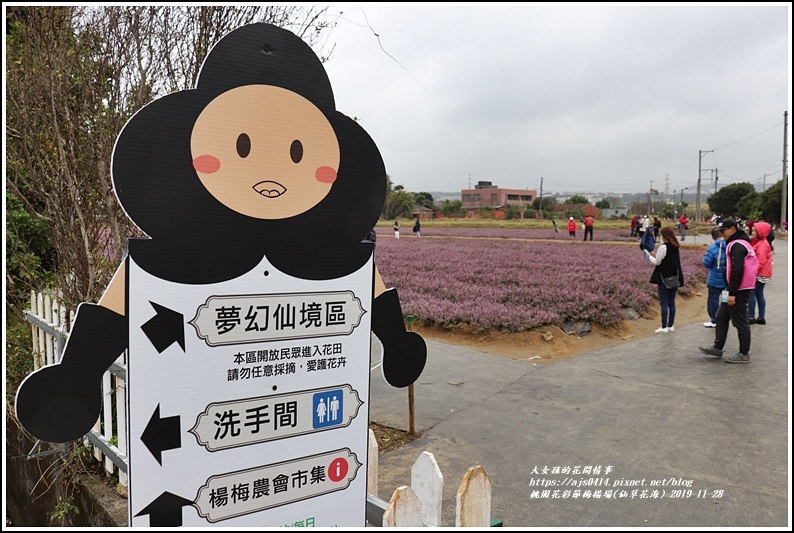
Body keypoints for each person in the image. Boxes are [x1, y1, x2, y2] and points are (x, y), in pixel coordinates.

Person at [699, 218, 758, 363]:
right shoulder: (741, 242)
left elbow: (737, 270)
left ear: (732, 229)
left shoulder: (737, 245)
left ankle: (744, 354)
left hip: (737, 290)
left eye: (723, 231)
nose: (722, 234)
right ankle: (718, 348)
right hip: (733, 288)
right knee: (721, 317)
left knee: (740, 322)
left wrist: (732, 292)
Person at [646, 227, 684, 333]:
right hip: (674, 279)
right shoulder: (675, 246)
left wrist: (649, 256)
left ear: (664, 236)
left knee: (664, 303)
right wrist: (657, 255)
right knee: (671, 303)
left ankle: (663, 327)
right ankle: (671, 325)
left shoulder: (664, 247)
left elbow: (657, 262)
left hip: (664, 279)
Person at [747, 221, 773, 325]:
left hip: (759, 273)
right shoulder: (762, 242)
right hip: (764, 273)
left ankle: (751, 316)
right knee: (759, 294)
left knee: (752, 294)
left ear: (761, 232)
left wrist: (753, 272)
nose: (752, 232)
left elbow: (761, 261)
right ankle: (761, 317)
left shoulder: (762, 244)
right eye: (752, 230)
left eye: (754, 231)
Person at [701, 227, 726, 328]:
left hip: (714, 278)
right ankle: (724, 319)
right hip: (727, 279)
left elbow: (707, 264)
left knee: (713, 299)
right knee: (724, 300)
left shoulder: (712, 248)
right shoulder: (730, 245)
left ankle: (714, 320)